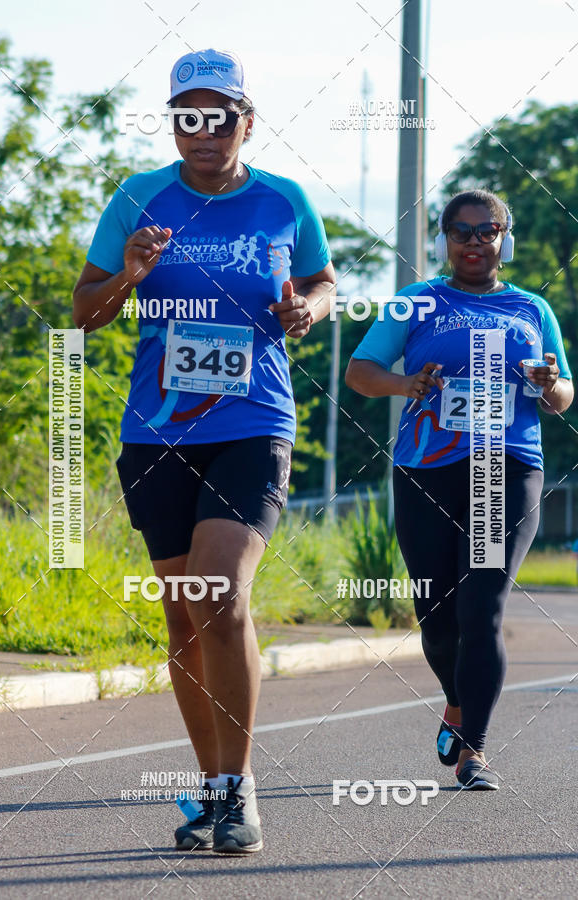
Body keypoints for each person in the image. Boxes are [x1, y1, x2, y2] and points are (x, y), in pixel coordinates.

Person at [73, 48, 335, 850]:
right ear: (174, 122)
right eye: (187, 114)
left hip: (254, 424)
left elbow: (323, 282)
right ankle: (214, 788)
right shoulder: (137, 199)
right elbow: (85, 314)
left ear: (246, 122)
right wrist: (129, 273)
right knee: (184, 621)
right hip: (157, 433)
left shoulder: (283, 201)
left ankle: (242, 789)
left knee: (221, 595)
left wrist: (309, 313)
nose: (203, 128)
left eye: (219, 114)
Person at [346, 189, 573, 790]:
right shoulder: (415, 302)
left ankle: (475, 750)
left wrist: (550, 385)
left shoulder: (532, 309)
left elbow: (562, 395)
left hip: (506, 467)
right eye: (462, 231)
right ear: (443, 240)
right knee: (438, 618)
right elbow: (358, 373)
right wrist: (406, 383)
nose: (475, 241)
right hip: (427, 468)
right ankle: (456, 702)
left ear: (505, 238)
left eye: (487, 230)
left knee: (483, 611)